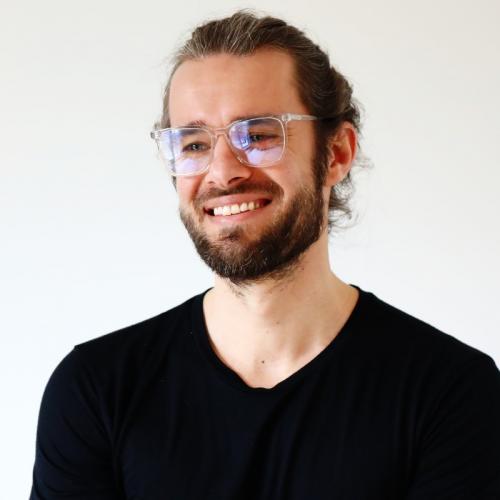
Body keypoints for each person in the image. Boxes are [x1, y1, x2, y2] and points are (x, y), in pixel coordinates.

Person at [30, 10, 500, 500]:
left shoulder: (450, 392)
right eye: (194, 143)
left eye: (257, 135)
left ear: (337, 153)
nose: (222, 172)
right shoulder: (96, 389)